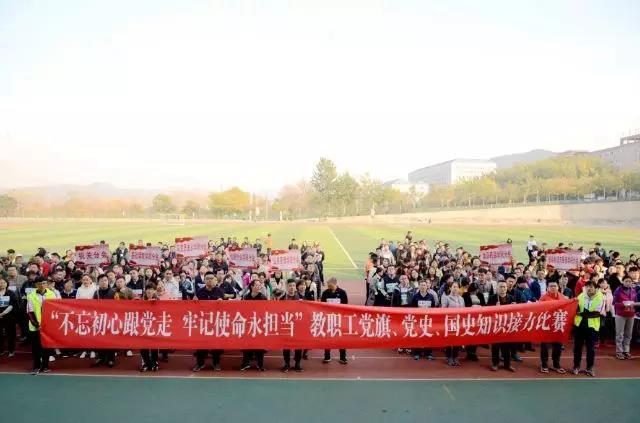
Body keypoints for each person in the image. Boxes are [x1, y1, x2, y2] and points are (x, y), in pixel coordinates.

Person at [193, 273, 225, 372]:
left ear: (215, 280)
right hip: (203, 321)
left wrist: (222, 302)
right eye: (207, 279)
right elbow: (195, 307)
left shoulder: (219, 291)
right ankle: (200, 363)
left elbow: (225, 307)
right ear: (204, 280)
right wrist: (194, 302)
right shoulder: (200, 292)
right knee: (201, 343)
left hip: (216, 321)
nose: (210, 280)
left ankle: (216, 363)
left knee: (216, 344)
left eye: (211, 278)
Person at [572, 280, 604, 377]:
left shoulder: (601, 297)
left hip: (592, 327)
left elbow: (597, 313)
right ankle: (576, 366)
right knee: (577, 347)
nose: (589, 288)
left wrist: (581, 313)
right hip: (579, 325)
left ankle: (589, 368)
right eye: (587, 287)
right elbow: (575, 309)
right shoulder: (580, 296)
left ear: (596, 288)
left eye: (591, 286)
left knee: (590, 349)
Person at [26, 277, 55, 374]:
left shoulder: (51, 294)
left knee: (46, 347)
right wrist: (36, 325)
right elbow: (30, 312)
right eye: (39, 283)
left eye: (44, 283)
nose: (42, 285)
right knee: (36, 348)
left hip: (48, 326)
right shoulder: (31, 295)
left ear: (46, 284)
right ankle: (36, 366)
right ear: (36, 285)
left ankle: (45, 366)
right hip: (35, 326)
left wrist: (49, 324)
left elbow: (54, 310)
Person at [488, 281, 516, 372]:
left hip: (507, 326)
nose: (502, 289)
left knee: (507, 347)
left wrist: (515, 307)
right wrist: (495, 308)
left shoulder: (511, 298)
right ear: (497, 288)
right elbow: (487, 312)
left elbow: (516, 312)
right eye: (500, 287)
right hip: (496, 326)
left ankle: (507, 364)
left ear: (506, 288)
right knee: (495, 346)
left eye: (504, 287)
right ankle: (495, 363)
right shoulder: (492, 298)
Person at [539, 281, 567, 374]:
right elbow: (539, 311)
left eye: (555, 286)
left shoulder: (562, 297)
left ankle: (556, 364)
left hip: (558, 325)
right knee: (545, 346)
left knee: (558, 346)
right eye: (551, 286)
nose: (553, 287)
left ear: (558, 287)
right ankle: (544, 364)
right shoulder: (543, 298)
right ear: (547, 288)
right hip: (546, 326)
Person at [240, 280, 268, 371]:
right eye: (257, 285)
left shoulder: (263, 297)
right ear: (252, 286)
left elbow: (266, 310)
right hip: (248, 323)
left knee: (259, 345)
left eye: (260, 285)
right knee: (247, 345)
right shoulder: (246, 297)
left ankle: (260, 365)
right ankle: (245, 363)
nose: (259, 287)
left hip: (259, 324)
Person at [321, 277, 349, 364]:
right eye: (328, 285)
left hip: (339, 319)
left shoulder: (342, 292)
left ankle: (343, 357)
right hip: (328, 318)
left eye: (330, 285)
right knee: (327, 338)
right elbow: (322, 305)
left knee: (341, 338)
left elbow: (346, 305)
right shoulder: (325, 293)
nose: (328, 286)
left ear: (335, 284)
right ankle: (327, 356)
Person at [92, 274, 116, 368]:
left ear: (108, 281)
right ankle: (101, 358)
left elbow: (119, 305)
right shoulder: (96, 293)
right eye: (101, 281)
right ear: (98, 282)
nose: (104, 282)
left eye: (105, 280)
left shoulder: (114, 292)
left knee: (110, 340)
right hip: (99, 319)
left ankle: (111, 359)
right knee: (99, 339)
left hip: (111, 319)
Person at [409, 280, 437, 361]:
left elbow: (433, 308)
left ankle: (428, 353)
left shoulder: (431, 296)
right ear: (418, 286)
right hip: (418, 320)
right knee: (418, 336)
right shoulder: (415, 296)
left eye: (424, 285)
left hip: (428, 320)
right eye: (421, 285)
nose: (423, 287)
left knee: (428, 336)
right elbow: (412, 309)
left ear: (427, 286)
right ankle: (416, 353)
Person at [280, 279, 303, 372]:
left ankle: (297, 363)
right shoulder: (282, 298)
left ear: (295, 287)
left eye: (293, 285)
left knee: (299, 345)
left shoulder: (301, 298)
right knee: (286, 345)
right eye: (290, 286)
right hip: (286, 325)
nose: (292, 287)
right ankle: (287, 364)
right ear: (286, 287)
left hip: (298, 325)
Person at [612, 276, 638, 360]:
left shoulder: (633, 291)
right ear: (622, 282)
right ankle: (619, 351)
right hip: (620, 315)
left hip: (631, 315)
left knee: (628, 334)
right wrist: (624, 304)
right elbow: (614, 303)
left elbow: (635, 302)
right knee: (620, 334)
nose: (628, 283)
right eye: (626, 281)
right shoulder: (618, 291)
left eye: (630, 281)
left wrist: (634, 305)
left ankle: (626, 350)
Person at [441, 281, 465, 367]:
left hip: (458, 322)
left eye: (457, 287)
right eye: (454, 287)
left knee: (457, 341)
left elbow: (464, 311)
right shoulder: (446, 298)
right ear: (450, 288)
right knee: (449, 340)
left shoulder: (461, 299)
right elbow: (443, 310)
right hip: (449, 322)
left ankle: (455, 357)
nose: (455, 288)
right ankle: (449, 357)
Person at [462, 282, 486, 362]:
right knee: (469, 334)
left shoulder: (480, 295)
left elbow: (484, 305)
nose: (475, 291)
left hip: (478, 318)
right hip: (468, 318)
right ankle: (469, 352)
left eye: (476, 290)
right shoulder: (465, 295)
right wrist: (471, 307)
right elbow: (464, 305)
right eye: (473, 290)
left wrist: (479, 307)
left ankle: (473, 352)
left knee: (476, 335)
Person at [139, 283, 160, 372]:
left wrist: (155, 304)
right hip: (143, 325)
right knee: (143, 345)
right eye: (148, 289)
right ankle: (145, 363)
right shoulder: (141, 300)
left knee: (154, 345)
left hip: (155, 326)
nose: (149, 291)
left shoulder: (159, 300)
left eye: (151, 289)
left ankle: (155, 362)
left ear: (155, 291)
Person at [0, 276, 19, 357]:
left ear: (7, 283)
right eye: (0, 283)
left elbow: (12, 305)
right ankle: (1, 350)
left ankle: (11, 350)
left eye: (3, 282)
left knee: (10, 334)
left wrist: (2, 313)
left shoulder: (10, 293)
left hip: (9, 316)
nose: (1, 284)